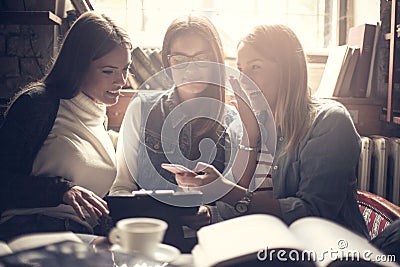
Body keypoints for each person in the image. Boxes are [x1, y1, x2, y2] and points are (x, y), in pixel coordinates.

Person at [175, 24, 370, 239]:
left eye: (255, 67)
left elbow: (313, 213)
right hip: (262, 247)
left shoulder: (329, 121)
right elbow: (238, 205)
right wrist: (209, 214)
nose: (244, 80)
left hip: (324, 251)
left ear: (288, 70)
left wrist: (225, 190)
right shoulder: (243, 126)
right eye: (241, 70)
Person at [0, 11, 132, 241]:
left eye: (126, 69)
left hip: (82, 236)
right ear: (78, 66)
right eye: (109, 71)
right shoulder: (38, 104)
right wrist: (61, 191)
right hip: (31, 229)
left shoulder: (99, 116)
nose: (121, 81)